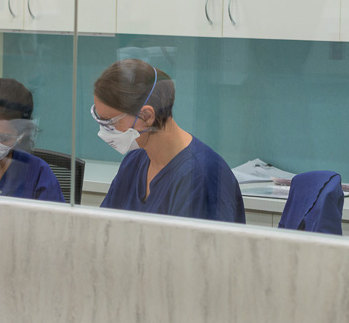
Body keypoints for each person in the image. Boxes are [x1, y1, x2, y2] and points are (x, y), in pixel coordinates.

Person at [93, 59, 245, 223]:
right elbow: (104, 228)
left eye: (111, 122)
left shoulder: (200, 177)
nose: (105, 131)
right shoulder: (134, 162)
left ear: (147, 116)